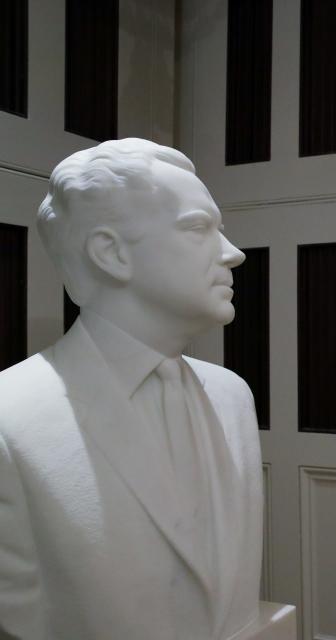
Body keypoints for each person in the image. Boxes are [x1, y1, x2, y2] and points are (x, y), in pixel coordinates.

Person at [0, 139, 263, 639]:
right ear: (111, 252)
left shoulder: (232, 397)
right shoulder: (10, 417)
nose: (233, 253)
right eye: (198, 228)